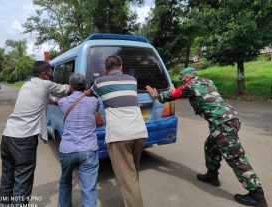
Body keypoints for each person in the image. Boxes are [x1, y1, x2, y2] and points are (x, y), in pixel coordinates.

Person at [146, 67, 267, 207]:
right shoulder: (208, 81)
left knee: (235, 157)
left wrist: (156, 95)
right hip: (230, 118)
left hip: (222, 123)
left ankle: (257, 196)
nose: (181, 79)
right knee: (210, 146)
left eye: (182, 77)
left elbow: (170, 95)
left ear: (185, 77)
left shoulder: (189, 86)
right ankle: (212, 175)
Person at [0, 61, 70, 206]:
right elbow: (65, 89)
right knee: (22, 186)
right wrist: (83, 87)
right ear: (43, 74)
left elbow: (46, 98)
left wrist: (57, 103)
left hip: (7, 137)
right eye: (51, 73)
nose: (52, 75)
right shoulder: (46, 84)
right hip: (23, 141)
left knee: (7, 180)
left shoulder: (27, 85)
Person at [85, 55, 148, 207]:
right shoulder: (132, 80)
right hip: (140, 133)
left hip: (119, 136)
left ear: (106, 69)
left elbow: (87, 93)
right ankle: (133, 198)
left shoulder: (99, 82)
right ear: (121, 67)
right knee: (132, 174)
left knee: (127, 179)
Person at [57, 74, 99, 207]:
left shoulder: (64, 102)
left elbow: (57, 102)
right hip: (88, 150)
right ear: (86, 86)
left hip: (67, 150)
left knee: (65, 182)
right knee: (89, 188)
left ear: (70, 87)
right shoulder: (94, 102)